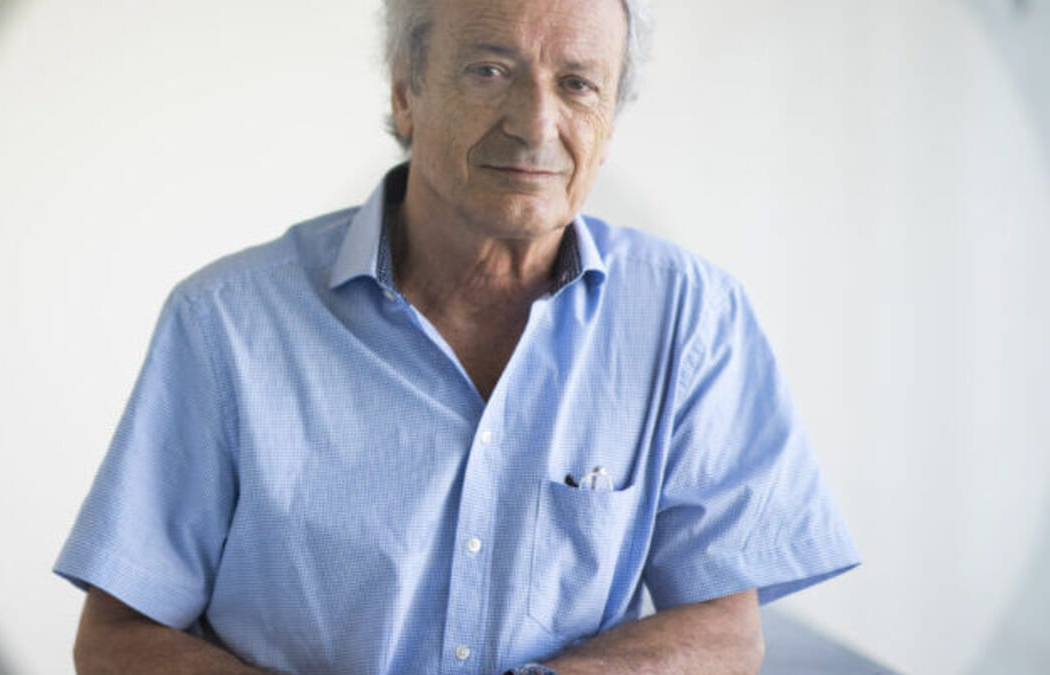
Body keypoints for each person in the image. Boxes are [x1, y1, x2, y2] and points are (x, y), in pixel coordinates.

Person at [55, 0, 861, 672]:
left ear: (610, 119)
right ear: (405, 91)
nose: (536, 123)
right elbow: (118, 638)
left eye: (578, 84)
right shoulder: (226, 321)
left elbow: (724, 632)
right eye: (489, 71)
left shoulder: (691, 316)